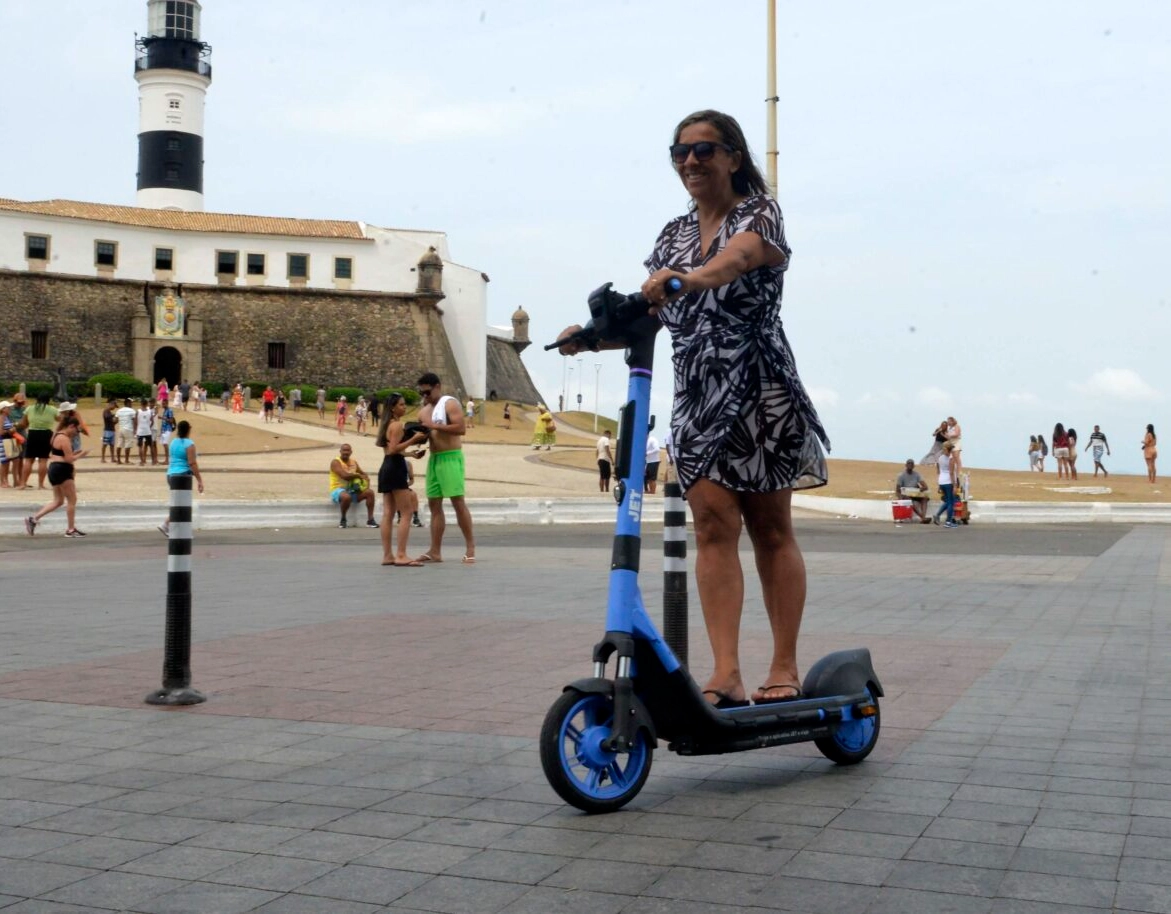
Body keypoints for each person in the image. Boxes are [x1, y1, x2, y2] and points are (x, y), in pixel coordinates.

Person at [559, 109, 829, 708]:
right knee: (711, 526)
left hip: (758, 387)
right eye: (678, 152)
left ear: (733, 156)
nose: (689, 162)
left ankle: (783, 666)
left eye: (703, 151)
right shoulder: (671, 236)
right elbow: (654, 310)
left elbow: (733, 262)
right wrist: (592, 336)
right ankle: (726, 672)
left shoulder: (759, 213)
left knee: (770, 527)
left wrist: (692, 278)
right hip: (698, 394)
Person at [415, 371, 476, 563]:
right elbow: (425, 434)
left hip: (450, 456)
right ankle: (435, 550)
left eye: (427, 392)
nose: (425, 397)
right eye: (422, 393)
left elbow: (460, 428)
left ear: (438, 387)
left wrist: (435, 426)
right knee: (434, 504)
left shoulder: (450, 403)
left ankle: (470, 547)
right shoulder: (423, 411)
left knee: (458, 502)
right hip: (434, 459)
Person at [374, 393, 428, 566]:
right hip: (395, 468)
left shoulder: (386, 425)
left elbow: (390, 451)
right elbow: (393, 449)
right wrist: (414, 439)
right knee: (406, 512)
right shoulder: (397, 425)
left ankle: (388, 555)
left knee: (388, 513)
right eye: (402, 405)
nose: (404, 407)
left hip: (386, 467)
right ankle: (401, 554)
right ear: (393, 407)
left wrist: (410, 453)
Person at [25, 416, 88, 537]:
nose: (76, 433)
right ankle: (70, 529)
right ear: (71, 426)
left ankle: (33, 519)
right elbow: (69, 459)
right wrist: (82, 455)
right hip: (62, 469)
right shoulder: (64, 438)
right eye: (77, 430)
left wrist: (74, 453)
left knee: (58, 501)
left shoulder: (55, 436)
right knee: (72, 500)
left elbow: (59, 453)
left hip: (54, 468)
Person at [158, 420, 204, 537]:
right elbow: (192, 463)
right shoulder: (189, 444)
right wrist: (199, 480)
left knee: (180, 503)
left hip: (171, 474)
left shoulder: (173, 442)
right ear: (189, 429)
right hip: (183, 475)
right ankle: (167, 525)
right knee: (183, 505)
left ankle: (178, 529)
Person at [329, 442, 378, 528]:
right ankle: (343, 520)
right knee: (346, 497)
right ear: (340, 451)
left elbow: (364, 475)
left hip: (351, 490)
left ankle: (370, 520)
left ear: (351, 452)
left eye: (348, 450)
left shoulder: (353, 462)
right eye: (344, 450)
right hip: (337, 490)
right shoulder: (335, 462)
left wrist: (365, 486)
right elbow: (344, 476)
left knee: (370, 493)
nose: (346, 452)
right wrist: (357, 475)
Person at [18, 393, 59, 489]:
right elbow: (59, 419)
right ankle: (41, 484)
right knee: (43, 460)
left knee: (29, 459)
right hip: (46, 433)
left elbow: (23, 423)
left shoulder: (30, 408)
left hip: (33, 433)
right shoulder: (52, 409)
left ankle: (23, 483)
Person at [895, 458, 931, 523]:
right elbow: (897, 490)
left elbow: (925, 486)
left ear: (914, 466)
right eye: (909, 463)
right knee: (910, 500)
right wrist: (900, 498)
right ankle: (923, 518)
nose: (910, 465)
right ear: (906, 465)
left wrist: (923, 488)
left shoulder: (917, 474)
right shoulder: (901, 475)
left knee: (925, 498)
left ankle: (923, 518)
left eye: (912, 464)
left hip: (915, 494)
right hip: (906, 494)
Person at [933, 442, 959, 527]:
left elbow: (938, 471)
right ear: (950, 449)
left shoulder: (940, 458)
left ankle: (938, 515)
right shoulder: (951, 459)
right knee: (951, 502)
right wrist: (955, 485)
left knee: (948, 501)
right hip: (949, 482)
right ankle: (948, 522)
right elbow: (951, 473)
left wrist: (939, 483)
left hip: (941, 481)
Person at [0, 400, 21, 488]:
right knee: (5, 462)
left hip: (11, 440)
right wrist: (10, 431)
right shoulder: (1, 418)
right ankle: (3, 481)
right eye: (8, 408)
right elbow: (0, 431)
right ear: (3, 409)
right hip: (4, 441)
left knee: (16, 460)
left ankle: (15, 480)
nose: (10, 409)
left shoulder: (7, 417)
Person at [113, 397, 136, 465]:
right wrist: (135, 430)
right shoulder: (132, 411)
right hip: (128, 429)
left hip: (121, 428)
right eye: (131, 403)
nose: (132, 404)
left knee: (119, 444)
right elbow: (135, 421)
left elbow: (115, 420)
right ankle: (126, 460)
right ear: (128, 403)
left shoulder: (119, 411)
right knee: (128, 444)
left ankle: (119, 460)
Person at [597, 428, 614, 492]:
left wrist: (597, 459)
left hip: (600, 459)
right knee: (607, 476)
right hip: (605, 459)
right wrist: (612, 459)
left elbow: (597, 451)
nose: (610, 437)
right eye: (610, 435)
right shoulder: (606, 439)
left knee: (602, 475)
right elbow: (607, 449)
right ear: (607, 434)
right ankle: (606, 490)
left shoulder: (599, 440)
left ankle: (601, 490)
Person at [101, 398, 117, 463]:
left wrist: (115, 420)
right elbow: (108, 418)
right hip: (107, 430)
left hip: (111, 429)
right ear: (111, 404)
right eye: (114, 406)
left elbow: (112, 422)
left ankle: (112, 458)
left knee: (112, 445)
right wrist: (114, 418)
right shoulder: (106, 411)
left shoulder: (109, 412)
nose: (114, 408)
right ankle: (102, 458)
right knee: (105, 444)